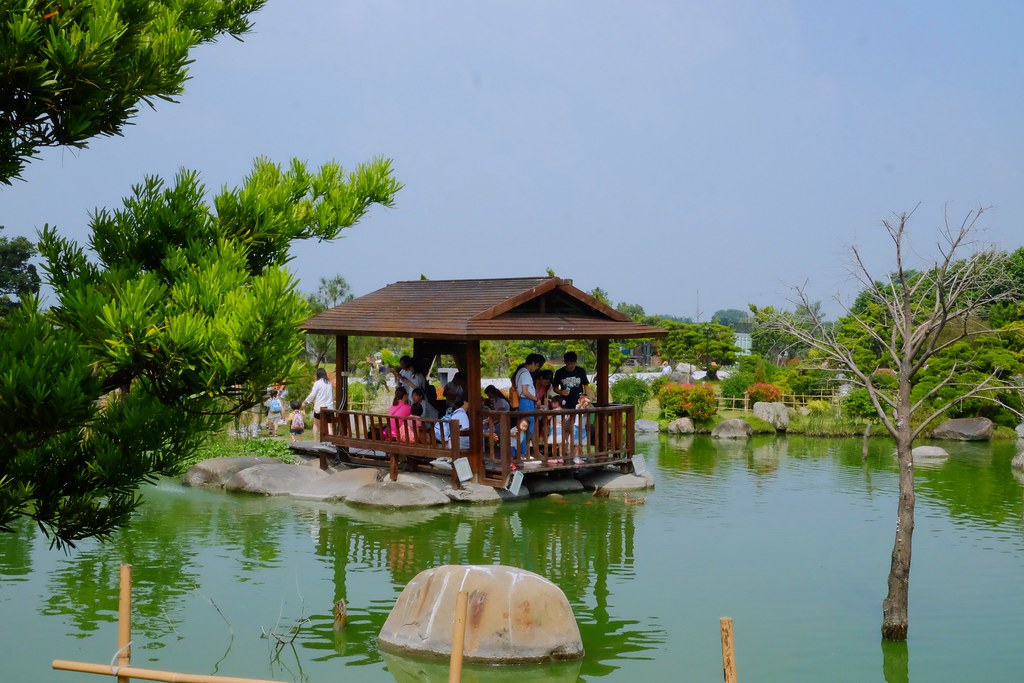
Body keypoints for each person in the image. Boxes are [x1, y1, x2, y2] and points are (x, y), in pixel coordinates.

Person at [510, 353, 545, 455]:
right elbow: (525, 392)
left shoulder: (520, 372)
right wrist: (536, 399)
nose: (537, 368)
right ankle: (523, 453)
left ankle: (523, 453)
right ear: (533, 363)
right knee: (527, 428)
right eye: (538, 366)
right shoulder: (525, 373)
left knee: (524, 428)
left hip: (524, 402)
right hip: (527, 402)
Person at [301, 368, 334, 441]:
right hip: (329, 407)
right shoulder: (329, 383)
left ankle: (315, 441)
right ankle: (331, 442)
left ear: (318, 375)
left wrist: (305, 402)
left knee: (316, 424)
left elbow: (312, 395)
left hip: (320, 408)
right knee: (329, 426)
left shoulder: (318, 383)